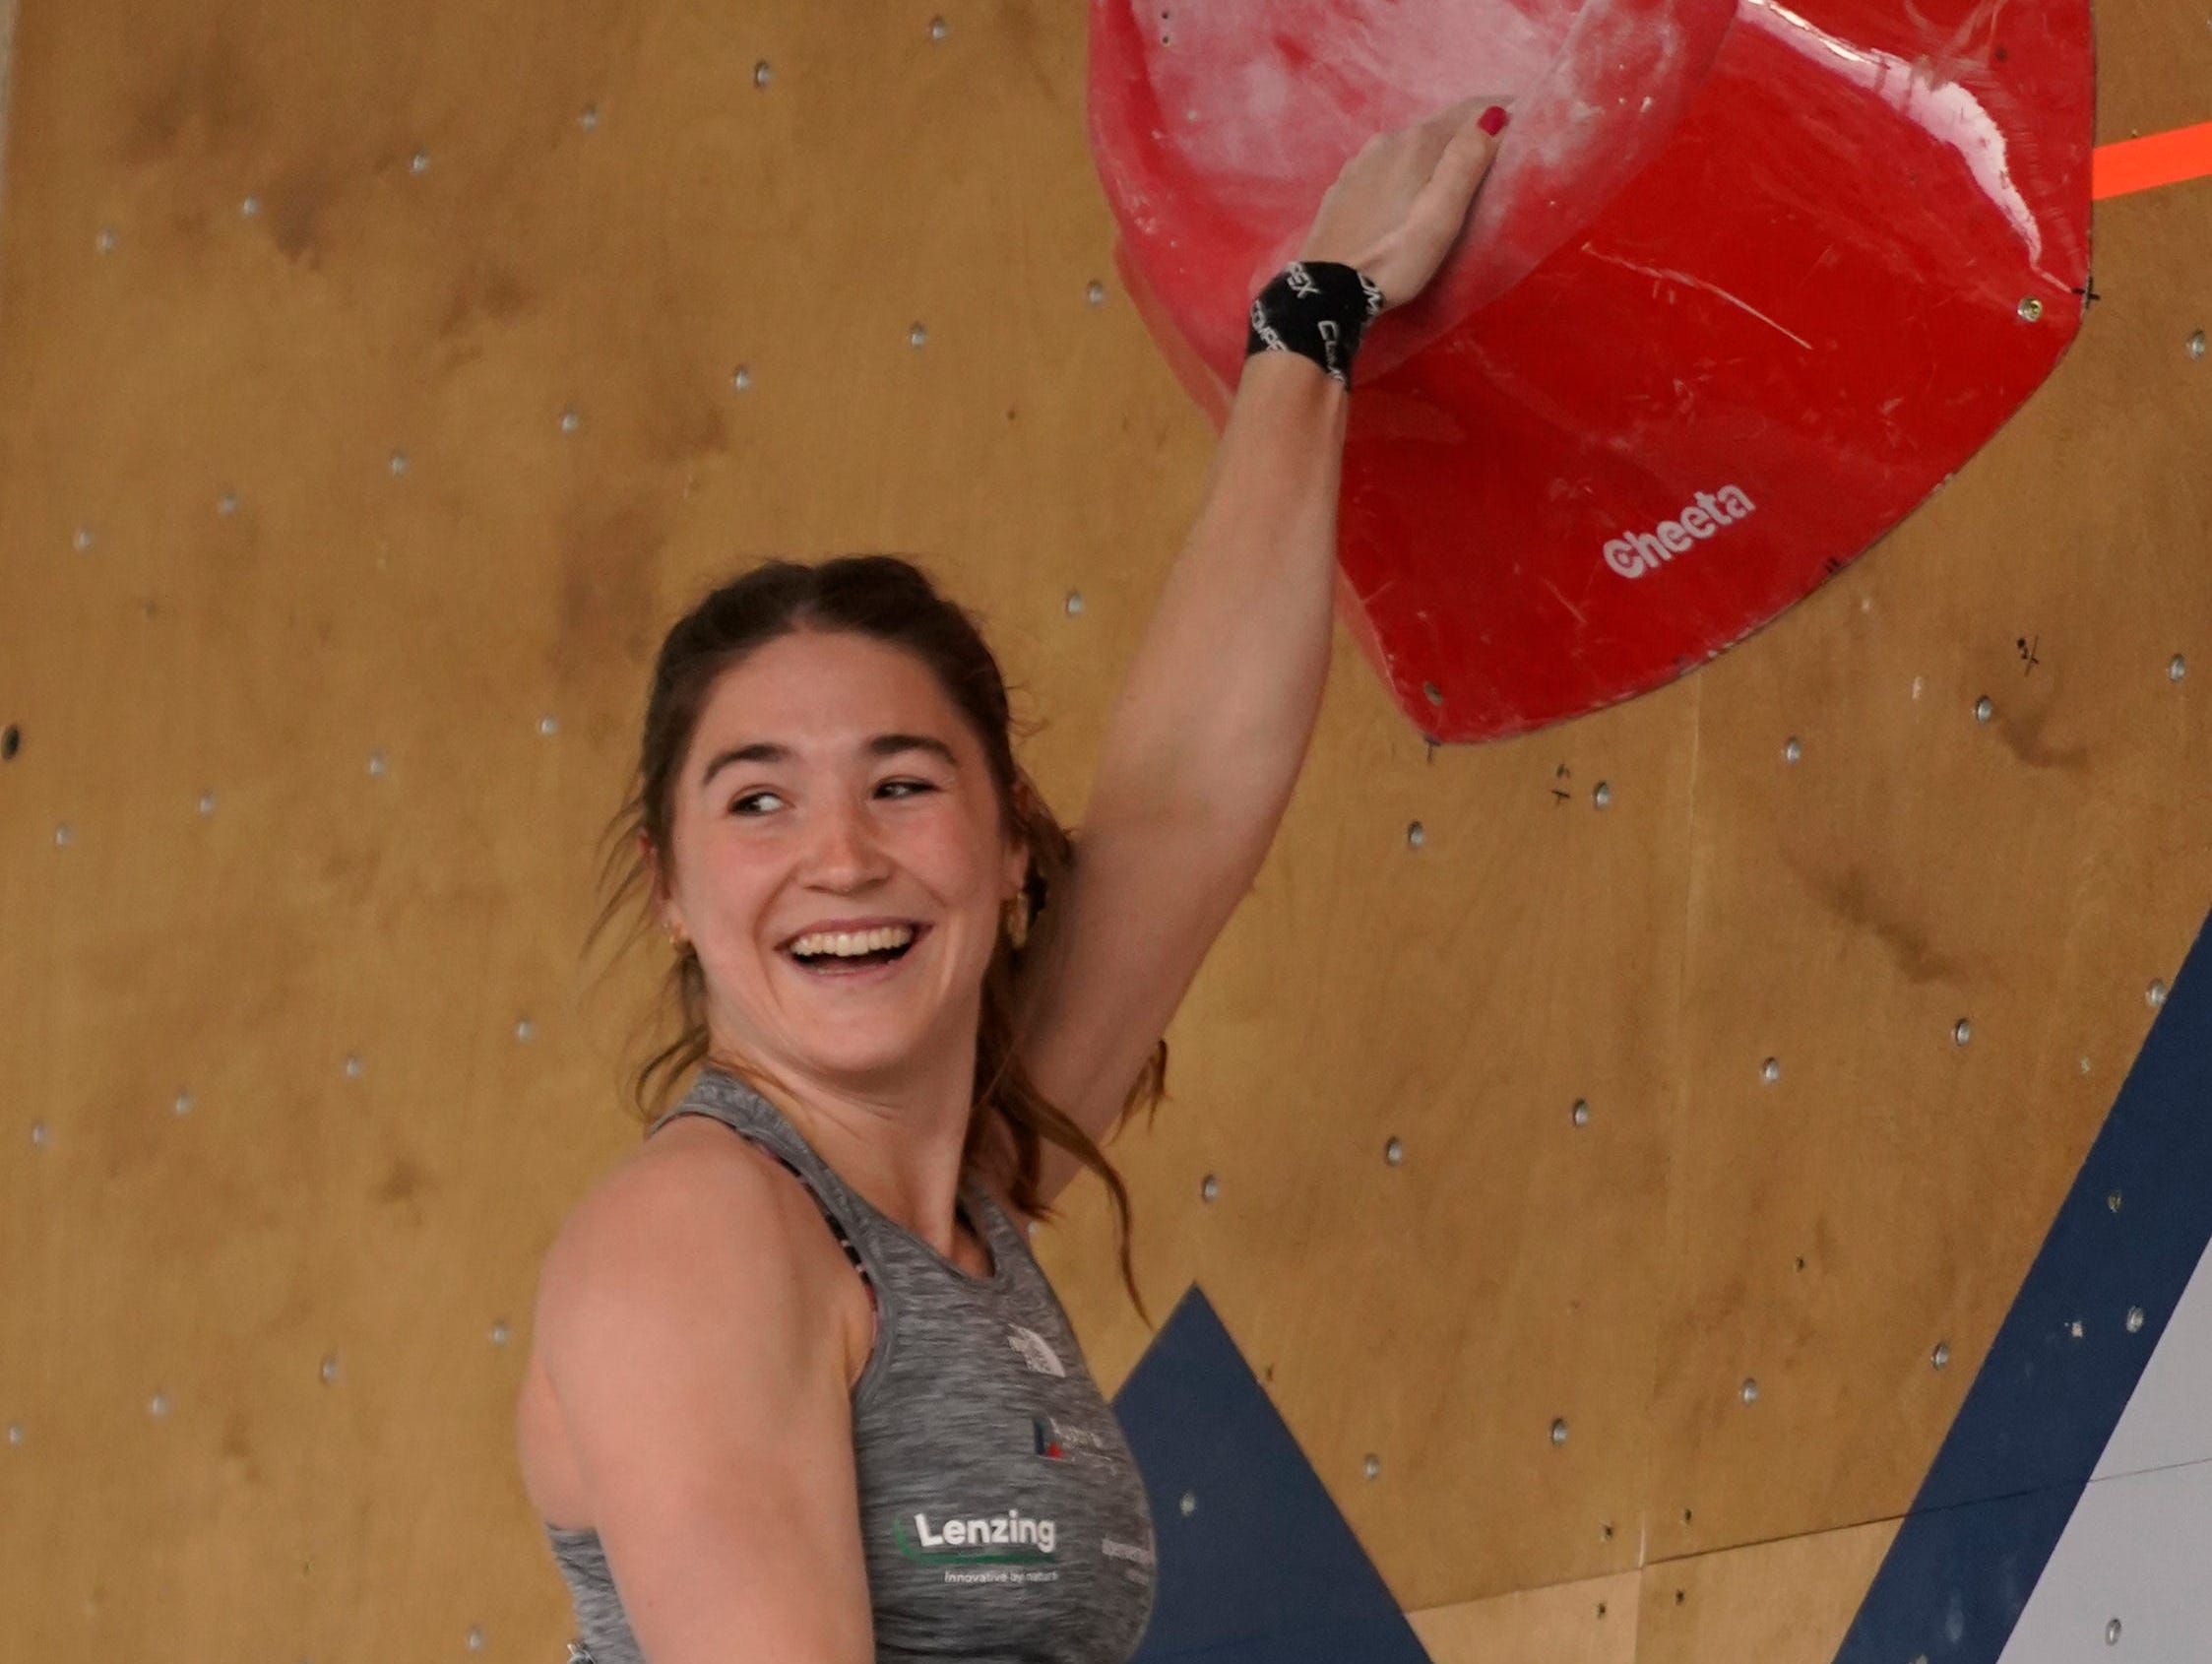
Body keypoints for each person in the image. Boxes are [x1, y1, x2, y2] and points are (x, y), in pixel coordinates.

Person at [513, 96, 1511, 1664]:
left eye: (903, 785)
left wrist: (1307, 326)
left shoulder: (955, 1187)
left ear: (1007, 842)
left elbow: (1188, 798)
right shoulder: (706, 1236)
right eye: (758, 800)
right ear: (669, 882)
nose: (841, 855)